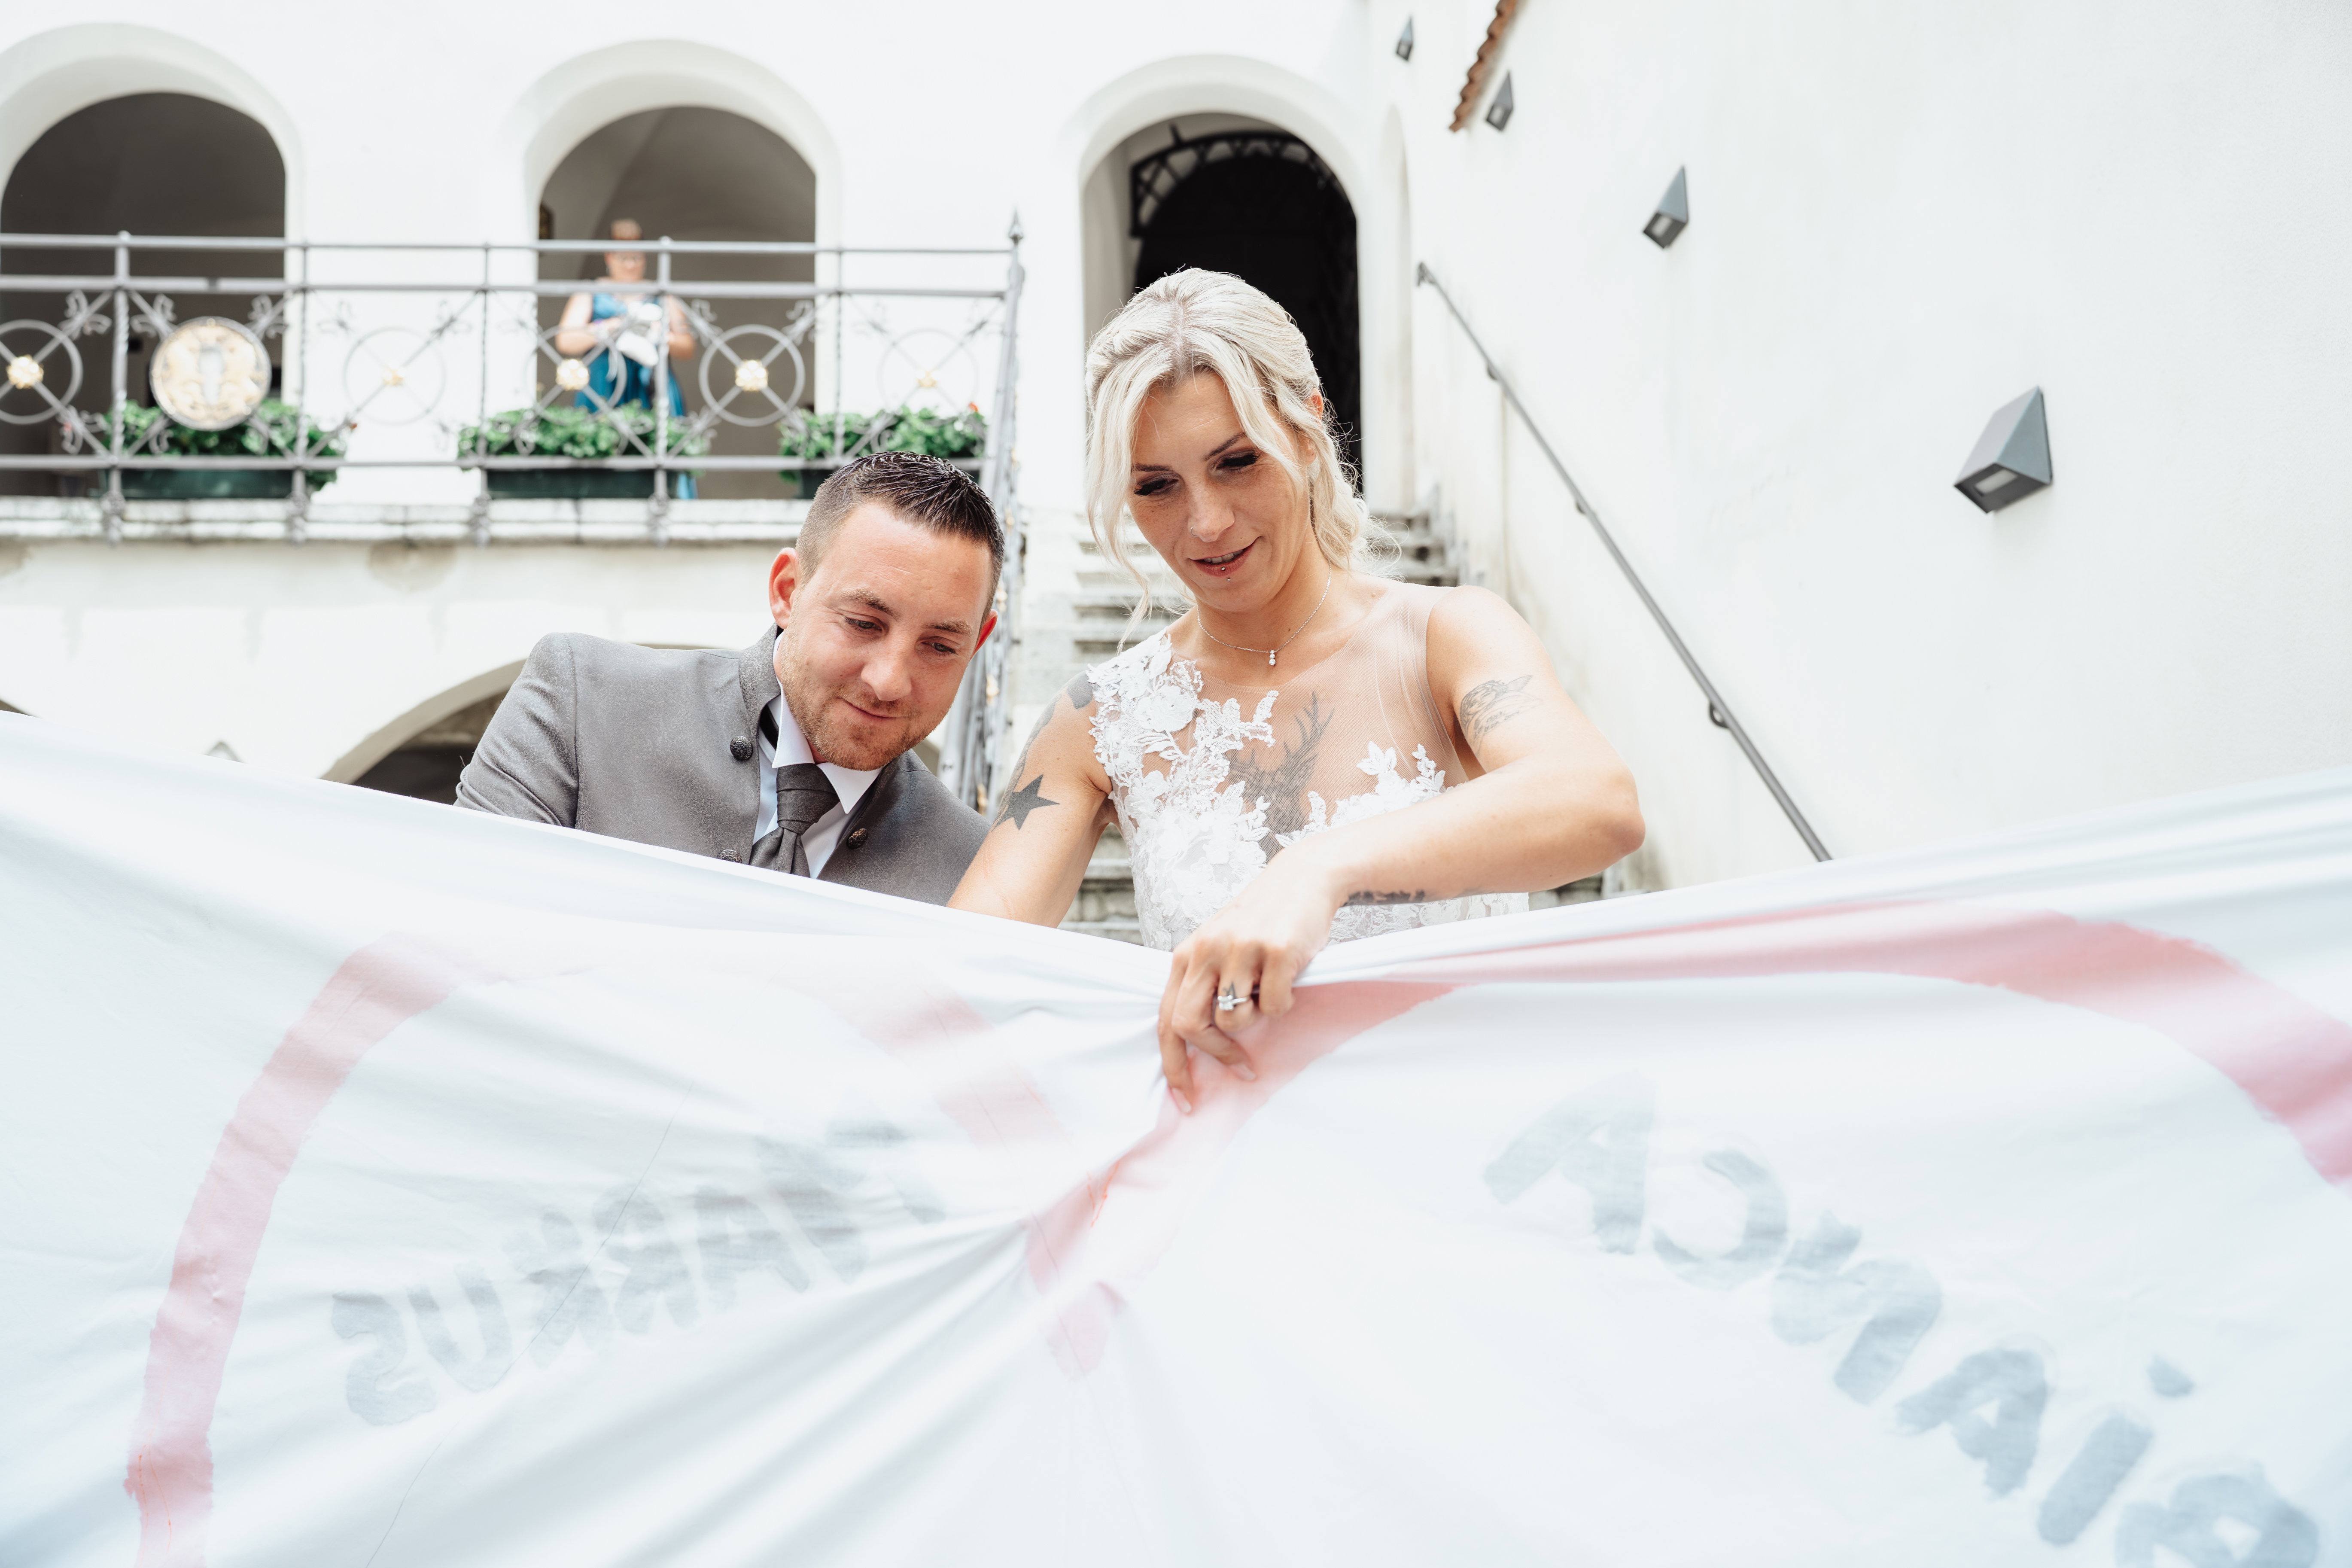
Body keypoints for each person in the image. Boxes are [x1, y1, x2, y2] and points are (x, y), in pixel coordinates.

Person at [951, 269, 1645, 1109]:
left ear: (1308, 429)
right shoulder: (1097, 719)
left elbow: (1595, 804)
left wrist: (1318, 871)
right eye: (1154, 485)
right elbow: (961, 964)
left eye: (1236, 462)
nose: (1204, 522)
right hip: (1234, 1181)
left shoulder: (1447, 635)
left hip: (1467, 1151)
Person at [456, 452, 997, 902]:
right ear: (787, 591)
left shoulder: (979, 871)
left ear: (977, 643)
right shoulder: (579, 701)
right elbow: (455, 930)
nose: (888, 682)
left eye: (939, 646)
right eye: (862, 623)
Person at [554, 219, 699, 496]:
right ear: (610, 257)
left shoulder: (662, 294)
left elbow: (686, 347)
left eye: (637, 257)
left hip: (652, 384)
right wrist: (607, 328)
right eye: (624, 257)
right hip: (602, 383)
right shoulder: (591, 291)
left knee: (659, 444)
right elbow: (566, 340)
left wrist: (660, 335)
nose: (631, 264)